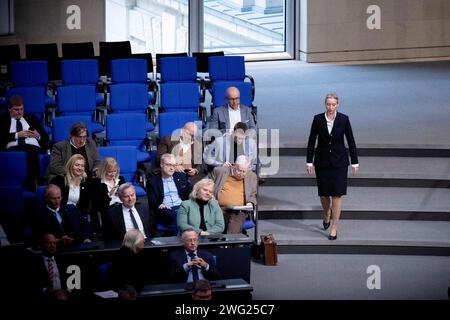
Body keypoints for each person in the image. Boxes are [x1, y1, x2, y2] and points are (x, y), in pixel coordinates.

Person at [306, 92, 359, 240]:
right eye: (328, 104)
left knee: (337, 195)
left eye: (333, 104)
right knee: (324, 195)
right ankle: (326, 213)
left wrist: (355, 162)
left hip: (339, 163)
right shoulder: (317, 119)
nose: (330, 107)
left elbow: (351, 141)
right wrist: (309, 161)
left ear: (338, 105)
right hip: (322, 162)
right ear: (325, 104)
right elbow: (311, 141)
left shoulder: (344, 119)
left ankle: (334, 227)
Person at [0, 95, 49, 187]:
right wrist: (17, 135)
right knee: (20, 156)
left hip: (33, 147)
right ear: (9, 108)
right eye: (16, 109)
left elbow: (45, 137)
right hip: (14, 148)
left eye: (21, 109)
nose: (20, 112)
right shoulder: (3, 120)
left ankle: (35, 184)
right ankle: (26, 184)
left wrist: (38, 136)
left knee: (32, 154)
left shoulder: (31, 118)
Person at [147, 153, 192, 235]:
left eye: (174, 165)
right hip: (167, 208)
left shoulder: (181, 176)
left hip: (182, 206)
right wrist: (159, 204)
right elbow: (152, 200)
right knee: (175, 216)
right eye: (169, 165)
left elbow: (190, 192)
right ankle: (182, 238)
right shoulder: (152, 181)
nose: (172, 168)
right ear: (161, 164)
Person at [210, 155, 257, 234]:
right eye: (239, 170)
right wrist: (210, 197)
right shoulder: (220, 171)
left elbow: (253, 194)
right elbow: (203, 185)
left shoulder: (252, 176)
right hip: (219, 208)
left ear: (248, 169)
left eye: (244, 171)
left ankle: (230, 242)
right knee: (226, 221)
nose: (241, 173)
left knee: (236, 218)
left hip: (239, 210)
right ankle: (232, 243)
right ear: (234, 166)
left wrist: (250, 202)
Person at [27, 233, 70, 300]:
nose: (52, 246)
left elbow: (71, 282)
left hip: (64, 295)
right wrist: (47, 291)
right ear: (41, 245)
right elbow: (32, 286)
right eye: (48, 243)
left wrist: (66, 291)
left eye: (54, 243)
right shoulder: (34, 263)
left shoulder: (62, 261)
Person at [49, 154, 91, 219]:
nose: (80, 168)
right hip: (60, 215)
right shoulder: (59, 180)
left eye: (82, 166)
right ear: (70, 166)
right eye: (77, 165)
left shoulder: (84, 183)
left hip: (76, 215)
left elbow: (84, 206)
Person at [90, 157, 126, 231]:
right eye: (110, 172)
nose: (113, 174)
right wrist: (109, 194)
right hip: (108, 209)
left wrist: (121, 194)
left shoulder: (121, 179)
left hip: (123, 206)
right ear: (104, 170)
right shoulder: (97, 183)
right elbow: (98, 205)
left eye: (115, 171)